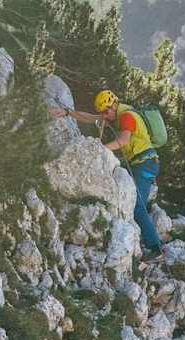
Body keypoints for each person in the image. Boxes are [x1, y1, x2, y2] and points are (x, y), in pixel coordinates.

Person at [52, 90, 163, 263]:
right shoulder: (116, 114)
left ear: (113, 105)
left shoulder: (126, 116)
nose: (105, 116)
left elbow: (124, 140)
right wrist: (68, 113)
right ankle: (149, 239)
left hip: (145, 163)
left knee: (138, 206)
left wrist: (101, 149)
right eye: (103, 112)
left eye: (106, 112)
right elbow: (90, 117)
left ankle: (156, 249)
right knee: (135, 203)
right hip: (142, 163)